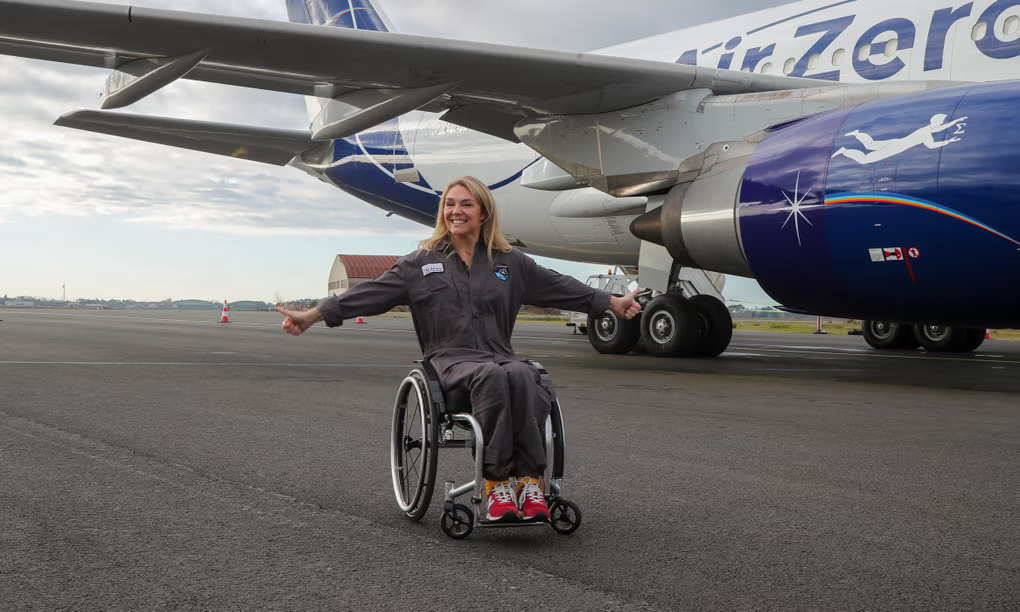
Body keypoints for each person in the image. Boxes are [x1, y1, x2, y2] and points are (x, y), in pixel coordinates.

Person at [278, 176, 641, 523]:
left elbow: (560, 286)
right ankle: (496, 483)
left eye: (466, 204)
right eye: (450, 204)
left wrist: (611, 302)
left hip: (500, 356)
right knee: (494, 375)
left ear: (483, 212)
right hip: (449, 363)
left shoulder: (509, 262)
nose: (456, 211)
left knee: (523, 373)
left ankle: (530, 483)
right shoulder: (420, 263)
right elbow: (368, 294)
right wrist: (313, 315)